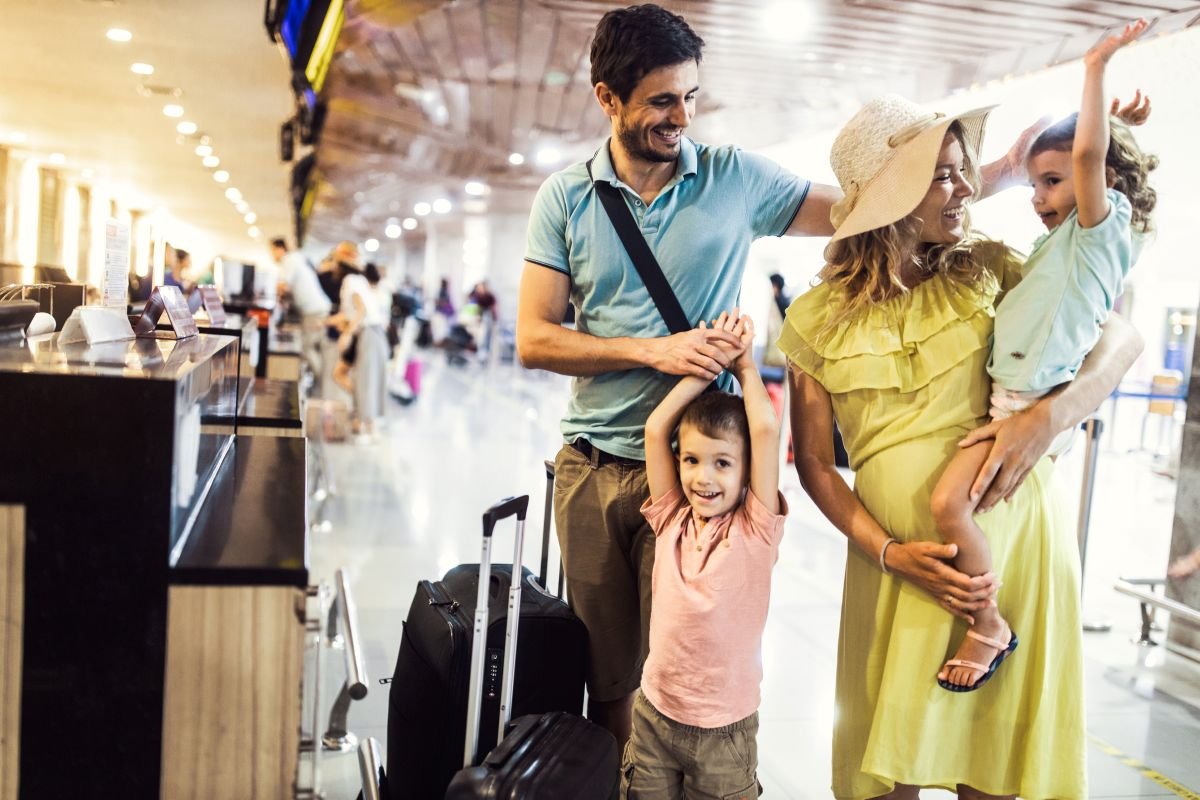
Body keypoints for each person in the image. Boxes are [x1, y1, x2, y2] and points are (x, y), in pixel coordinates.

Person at [781, 92, 1142, 798]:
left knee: (995, 773)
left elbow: (1119, 335)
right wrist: (888, 550)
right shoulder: (815, 318)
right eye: (944, 174)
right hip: (898, 568)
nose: (967, 188)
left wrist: (1048, 419)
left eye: (961, 169)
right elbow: (815, 464)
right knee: (887, 780)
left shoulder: (990, 267)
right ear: (892, 195)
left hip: (1013, 557)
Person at [516, 2, 840, 747]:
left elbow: (856, 211)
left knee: (688, 677)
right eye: (662, 100)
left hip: (700, 476)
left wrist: (989, 171)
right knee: (609, 681)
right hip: (595, 472)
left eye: (691, 97)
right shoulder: (566, 198)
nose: (682, 117)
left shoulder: (735, 179)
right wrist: (650, 351)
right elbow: (534, 338)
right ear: (607, 98)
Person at [929, 20, 1157, 691]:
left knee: (949, 506)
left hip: (1031, 400)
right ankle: (986, 614)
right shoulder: (1060, 245)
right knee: (957, 504)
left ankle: (987, 623)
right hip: (1015, 395)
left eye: (1053, 182)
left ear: (1101, 181)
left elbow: (1090, 160)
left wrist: (1095, 67)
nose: (1041, 198)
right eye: (1035, 185)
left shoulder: (1098, 235)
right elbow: (1087, 157)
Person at [626, 309, 783, 800]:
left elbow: (765, 432)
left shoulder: (756, 530)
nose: (703, 477)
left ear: (746, 473)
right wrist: (704, 368)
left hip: (725, 733)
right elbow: (656, 429)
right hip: (653, 716)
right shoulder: (671, 517)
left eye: (722, 464)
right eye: (691, 460)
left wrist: (745, 367)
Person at [329, 260, 388, 438]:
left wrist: (346, 334)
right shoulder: (357, 282)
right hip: (366, 334)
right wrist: (323, 323)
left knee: (366, 380)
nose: (332, 267)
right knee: (351, 377)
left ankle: (365, 424)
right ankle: (362, 415)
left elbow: (361, 311)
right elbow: (349, 314)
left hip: (369, 334)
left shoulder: (351, 281)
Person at [272, 237, 331, 390]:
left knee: (308, 349)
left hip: (314, 311)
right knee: (312, 349)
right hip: (317, 309)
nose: (273, 256)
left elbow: (283, 286)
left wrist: (274, 296)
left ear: (279, 249)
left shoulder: (289, 260)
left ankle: (320, 387)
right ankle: (320, 385)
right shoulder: (296, 259)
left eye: (272, 251)